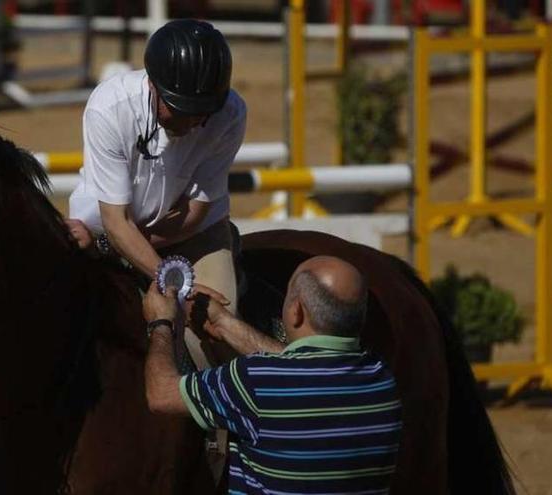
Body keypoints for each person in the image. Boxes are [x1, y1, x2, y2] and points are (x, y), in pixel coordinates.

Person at [142, 256, 402, 494]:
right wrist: (225, 324)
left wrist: (160, 322)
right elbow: (300, 366)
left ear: (295, 311)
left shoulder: (254, 381)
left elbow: (162, 394)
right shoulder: (381, 380)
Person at [66, 19, 246, 326]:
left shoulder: (230, 112)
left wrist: (164, 275)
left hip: (192, 235)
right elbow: (116, 221)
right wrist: (111, 246)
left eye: (202, 113)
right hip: (97, 234)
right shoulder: (109, 108)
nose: (191, 122)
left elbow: (195, 211)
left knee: (216, 324)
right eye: (180, 109)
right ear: (152, 84)